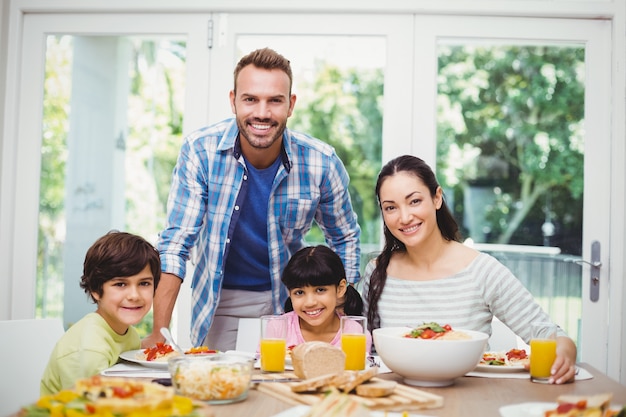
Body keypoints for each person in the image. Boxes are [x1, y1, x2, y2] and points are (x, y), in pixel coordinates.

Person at [143, 47, 361, 351]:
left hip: (291, 301)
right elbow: (177, 243)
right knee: (221, 389)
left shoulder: (321, 162)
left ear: (290, 104)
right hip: (219, 302)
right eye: (250, 99)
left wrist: (338, 311)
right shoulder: (200, 152)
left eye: (274, 100)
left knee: (292, 391)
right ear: (233, 101)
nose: (262, 112)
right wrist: (159, 331)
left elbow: (345, 237)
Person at [360, 154, 577, 384]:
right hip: (398, 401)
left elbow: (551, 335)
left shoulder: (481, 270)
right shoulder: (376, 272)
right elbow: (363, 346)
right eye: (391, 207)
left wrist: (563, 355)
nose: (404, 217)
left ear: (437, 198)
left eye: (414, 201)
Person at [40, 231, 161, 395]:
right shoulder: (92, 348)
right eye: (120, 284)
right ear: (96, 290)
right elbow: (90, 406)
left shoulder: (129, 333)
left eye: (144, 283)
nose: (134, 295)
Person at [280, 245, 371, 351]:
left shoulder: (355, 333)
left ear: (340, 289)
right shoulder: (278, 328)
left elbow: (360, 367)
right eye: (299, 292)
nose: (310, 303)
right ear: (289, 293)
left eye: (320, 290)